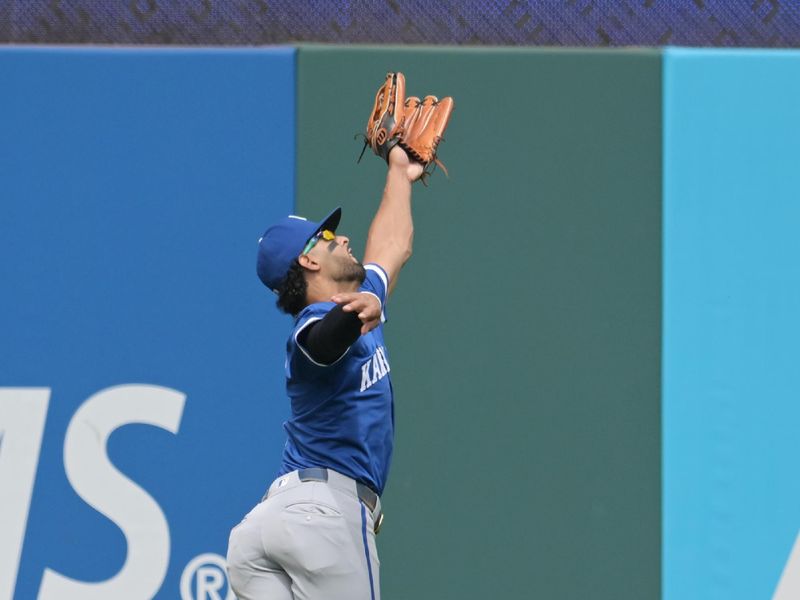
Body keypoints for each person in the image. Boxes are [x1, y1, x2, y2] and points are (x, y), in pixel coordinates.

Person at [226, 145, 424, 600]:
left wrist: (399, 172)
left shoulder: (361, 299)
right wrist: (360, 313)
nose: (342, 238)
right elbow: (324, 341)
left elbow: (394, 246)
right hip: (322, 515)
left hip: (267, 528)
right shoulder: (313, 325)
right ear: (309, 261)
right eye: (327, 237)